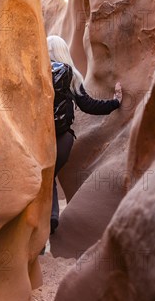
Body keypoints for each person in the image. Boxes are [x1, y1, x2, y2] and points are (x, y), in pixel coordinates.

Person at [47, 35, 122, 235]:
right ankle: (52, 218)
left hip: (43, 138)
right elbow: (89, 106)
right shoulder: (72, 76)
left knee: (43, 178)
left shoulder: (40, 73)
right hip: (64, 139)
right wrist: (115, 103)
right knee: (50, 176)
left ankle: (45, 222)